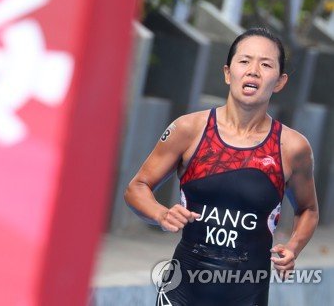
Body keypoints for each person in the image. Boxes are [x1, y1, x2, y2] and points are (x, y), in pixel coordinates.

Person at [124, 27, 319, 306]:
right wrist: (161, 214)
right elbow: (136, 188)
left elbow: (308, 210)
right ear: (228, 73)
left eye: (266, 65)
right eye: (244, 61)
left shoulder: (292, 148)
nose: (253, 71)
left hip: (246, 296)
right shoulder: (189, 129)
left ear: (279, 81)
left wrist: (293, 248)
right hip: (182, 292)